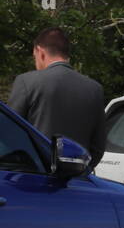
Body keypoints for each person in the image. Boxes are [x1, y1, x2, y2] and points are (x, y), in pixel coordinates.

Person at [7, 26, 106, 168]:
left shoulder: (26, 82)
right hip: (75, 181)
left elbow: (9, 134)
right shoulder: (94, 89)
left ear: (40, 52)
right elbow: (98, 147)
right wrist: (80, 172)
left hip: (33, 177)